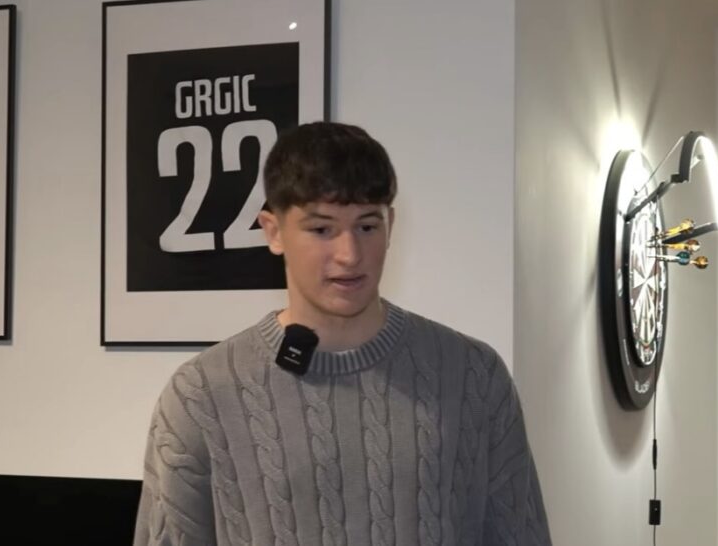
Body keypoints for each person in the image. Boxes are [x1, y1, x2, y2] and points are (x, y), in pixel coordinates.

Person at [133, 122, 551, 546]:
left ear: (391, 224)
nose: (350, 255)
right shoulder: (202, 396)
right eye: (322, 229)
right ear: (273, 231)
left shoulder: (473, 376)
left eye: (367, 226)